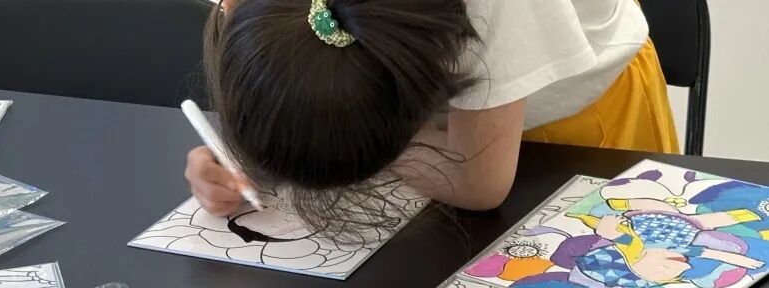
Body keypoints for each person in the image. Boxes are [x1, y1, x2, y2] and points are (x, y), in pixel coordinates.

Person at [186, 0, 678, 224]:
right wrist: (259, 139)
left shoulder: (499, 8)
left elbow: (479, 182)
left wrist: (314, 137)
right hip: (419, 134)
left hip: (573, 128)